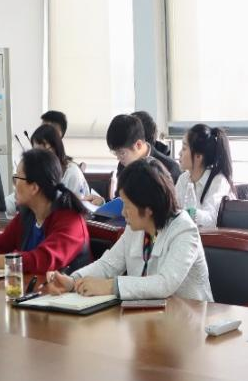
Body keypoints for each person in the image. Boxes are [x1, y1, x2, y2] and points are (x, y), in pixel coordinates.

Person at [43, 157, 212, 301]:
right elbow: (107, 265)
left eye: (127, 205)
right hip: (148, 318)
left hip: (191, 320)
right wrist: (73, 281)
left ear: (148, 208)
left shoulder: (184, 230)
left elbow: (164, 284)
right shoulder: (136, 228)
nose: (123, 212)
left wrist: (110, 286)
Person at [0, 149, 90, 275]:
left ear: (34, 187)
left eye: (17, 178)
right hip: (32, 292)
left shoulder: (71, 220)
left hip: (67, 297)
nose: (14, 185)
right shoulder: (27, 214)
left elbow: (40, 260)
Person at [175, 124, 234, 228]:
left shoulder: (218, 181)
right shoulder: (183, 179)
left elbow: (212, 219)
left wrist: (187, 213)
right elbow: (173, 209)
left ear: (198, 156)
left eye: (184, 148)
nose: (179, 153)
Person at [30, 124, 91, 203]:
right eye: (36, 151)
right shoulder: (41, 170)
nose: (40, 156)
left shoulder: (72, 173)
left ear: (56, 147)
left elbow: (76, 206)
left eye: (44, 150)